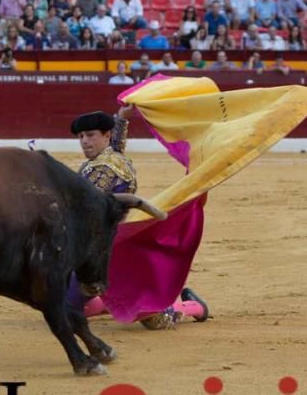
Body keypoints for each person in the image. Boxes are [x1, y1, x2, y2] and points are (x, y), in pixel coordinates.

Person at [70, 108, 209, 329]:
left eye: (90, 135)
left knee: (156, 320)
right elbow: (117, 144)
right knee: (74, 305)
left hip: (115, 250)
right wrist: (123, 117)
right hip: (111, 243)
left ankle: (193, 306)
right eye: (80, 137)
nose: (84, 141)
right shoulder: (111, 156)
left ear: (105, 135)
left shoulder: (104, 168)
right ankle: (111, 301)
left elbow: (86, 209)